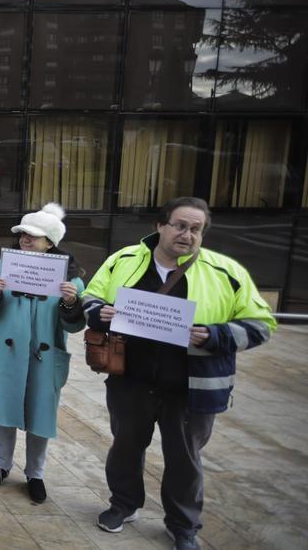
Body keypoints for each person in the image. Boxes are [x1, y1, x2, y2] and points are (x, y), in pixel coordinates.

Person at [83, 197, 275, 550]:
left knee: (184, 459)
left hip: (191, 388)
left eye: (196, 229)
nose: (187, 235)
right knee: (125, 447)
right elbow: (91, 297)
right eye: (180, 226)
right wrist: (99, 314)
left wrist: (216, 336)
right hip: (131, 381)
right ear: (160, 226)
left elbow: (262, 325)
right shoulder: (123, 260)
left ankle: (183, 525)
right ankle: (123, 505)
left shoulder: (225, 272)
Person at [0, 203, 85, 504]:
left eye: (33, 236)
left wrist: (71, 303)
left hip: (45, 357)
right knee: (5, 410)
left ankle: (35, 473)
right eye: (23, 233)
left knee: (40, 414)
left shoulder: (70, 279)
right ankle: (1, 464)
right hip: (8, 353)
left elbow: (75, 325)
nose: (25, 239)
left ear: (50, 242)